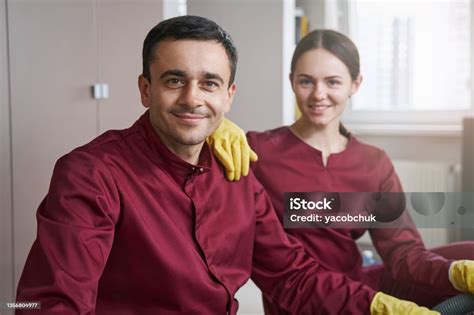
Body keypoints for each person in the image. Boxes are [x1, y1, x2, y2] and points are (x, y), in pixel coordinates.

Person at [15, 16, 440, 315]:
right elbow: (48, 303)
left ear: (229, 95)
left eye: (210, 83)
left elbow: (293, 274)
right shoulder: (92, 175)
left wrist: (379, 307)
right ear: (145, 89)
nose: (192, 98)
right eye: (175, 80)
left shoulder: (238, 171)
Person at [209, 29, 474, 314]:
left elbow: (404, 254)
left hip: (361, 289)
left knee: (469, 252)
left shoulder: (373, 162)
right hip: (303, 299)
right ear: (292, 82)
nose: (318, 94)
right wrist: (212, 128)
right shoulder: (256, 152)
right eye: (306, 81)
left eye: (333, 82)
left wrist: (456, 272)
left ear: (355, 84)